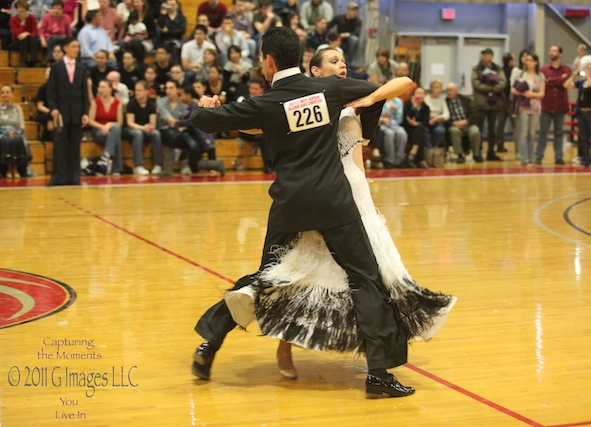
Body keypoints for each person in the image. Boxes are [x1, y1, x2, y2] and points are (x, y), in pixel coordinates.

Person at [190, 28, 419, 398]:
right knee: (365, 279)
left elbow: (203, 120)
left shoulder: (264, 102)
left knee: (266, 279)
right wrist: (368, 98)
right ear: (300, 57)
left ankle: (210, 344)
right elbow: (395, 84)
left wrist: (206, 107)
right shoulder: (328, 90)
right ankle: (378, 375)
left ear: (267, 60)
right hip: (333, 201)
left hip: (290, 205)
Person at [224, 46, 456, 386]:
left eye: (344, 61)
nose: (342, 65)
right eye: (334, 61)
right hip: (319, 198)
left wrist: (369, 98)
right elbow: (257, 126)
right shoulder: (304, 103)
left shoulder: (355, 98)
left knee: (372, 281)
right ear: (314, 71)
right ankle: (284, 347)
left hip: (354, 198)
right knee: (299, 274)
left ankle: (374, 355)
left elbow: (404, 81)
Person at [47, 37, 90, 186]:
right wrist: (53, 109)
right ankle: (58, 178)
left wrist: (85, 112)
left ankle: (74, 177)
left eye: (78, 47)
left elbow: (85, 93)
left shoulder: (82, 68)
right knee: (59, 145)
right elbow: (50, 93)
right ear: (65, 48)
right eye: (73, 47)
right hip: (60, 114)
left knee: (75, 146)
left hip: (77, 113)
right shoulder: (56, 67)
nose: (76, 49)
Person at [535, 45, 571, 165]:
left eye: (554, 51)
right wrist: (558, 80)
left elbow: (564, 82)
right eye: (550, 50)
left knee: (559, 132)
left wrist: (550, 80)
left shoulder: (566, 69)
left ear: (560, 54)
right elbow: (543, 82)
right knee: (543, 132)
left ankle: (559, 156)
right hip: (546, 104)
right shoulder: (543, 70)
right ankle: (539, 156)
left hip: (560, 105)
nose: (551, 52)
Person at [472, 47, 506, 161]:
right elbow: (476, 84)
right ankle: (478, 152)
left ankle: (491, 152)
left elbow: (502, 82)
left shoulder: (498, 69)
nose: (485, 57)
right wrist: (489, 88)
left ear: (491, 56)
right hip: (481, 103)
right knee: (480, 129)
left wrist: (493, 88)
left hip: (495, 104)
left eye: (487, 55)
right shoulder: (476, 69)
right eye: (483, 55)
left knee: (493, 130)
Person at [564, 63, 591, 168]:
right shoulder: (581, 83)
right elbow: (566, 85)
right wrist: (573, 76)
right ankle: (585, 159)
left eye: (590, 69)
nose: (588, 70)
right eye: (587, 68)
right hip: (581, 113)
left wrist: (589, 78)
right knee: (583, 138)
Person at [511, 53, 545, 166]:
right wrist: (523, 93)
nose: (528, 62)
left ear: (536, 62)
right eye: (527, 60)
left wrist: (532, 94)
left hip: (535, 106)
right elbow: (513, 89)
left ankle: (531, 157)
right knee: (523, 132)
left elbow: (542, 94)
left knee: (532, 133)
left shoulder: (540, 76)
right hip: (523, 105)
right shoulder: (520, 74)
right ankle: (523, 157)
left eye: (531, 60)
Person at [123, 80, 163, 175]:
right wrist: (143, 128)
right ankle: (138, 165)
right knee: (138, 133)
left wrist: (149, 127)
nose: (137, 92)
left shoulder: (151, 104)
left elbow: (153, 122)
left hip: (145, 128)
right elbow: (130, 123)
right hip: (131, 129)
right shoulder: (131, 103)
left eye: (140, 90)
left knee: (156, 133)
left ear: (146, 91)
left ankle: (158, 164)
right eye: (136, 90)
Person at [87, 79, 124, 175]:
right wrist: (103, 127)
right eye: (99, 87)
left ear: (110, 89)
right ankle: (116, 168)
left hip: (111, 131)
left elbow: (119, 122)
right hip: (98, 131)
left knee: (116, 130)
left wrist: (109, 125)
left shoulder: (118, 103)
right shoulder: (95, 102)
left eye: (103, 87)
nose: (100, 90)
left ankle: (106, 157)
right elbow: (90, 121)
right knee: (116, 135)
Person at [445, 82, 482, 163]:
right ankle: (460, 155)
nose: (448, 92)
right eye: (447, 90)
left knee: (475, 131)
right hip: (454, 125)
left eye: (451, 90)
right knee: (454, 131)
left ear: (456, 90)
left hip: (468, 124)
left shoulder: (466, 100)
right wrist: (453, 123)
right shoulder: (445, 102)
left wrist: (466, 122)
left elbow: (474, 113)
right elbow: (445, 117)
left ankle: (476, 154)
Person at [0, 84, 29, 178]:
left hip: (15, 132)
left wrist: (16, 132)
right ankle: (8, 169)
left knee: (17, 139)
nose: (5, 94)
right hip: (2, 132)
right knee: (7, 140)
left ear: (12, 94)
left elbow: (22, 125)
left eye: (7, 92)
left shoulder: (18, 108)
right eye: (3, 92)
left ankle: (15, 168)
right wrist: (6, 133)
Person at [403, 85, 430, 169]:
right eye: (418, 93)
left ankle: (414, 150)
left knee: (419, 129)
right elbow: (405, 119)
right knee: (419, 133)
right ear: (413, 95)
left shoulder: (426, 107)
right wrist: (414, 108)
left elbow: (425, 122)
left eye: (422, 93)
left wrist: (417, 123)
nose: (420, 95)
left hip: (419, 128)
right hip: (408, 128)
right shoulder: (408, 104)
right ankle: (422, 160)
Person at [424, 78, 449, 167]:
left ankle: (435, 151)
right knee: (424, 131)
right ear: (431, 88)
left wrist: (437, 117)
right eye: (437, 87)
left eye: (440, 88)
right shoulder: (426, 99)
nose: (439, 90)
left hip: (437, 121)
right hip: (427, 121)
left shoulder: (441, 100)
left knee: (440, 131)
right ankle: (429, 150)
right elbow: (423, 112)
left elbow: (446, 114)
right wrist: (429, 117)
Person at [378, 96, 407, 168]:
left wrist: (396, 110)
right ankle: (390, 160)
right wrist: (383, 119)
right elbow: (375, 116)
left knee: (402, 133)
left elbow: (400, 119)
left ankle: (399, 160)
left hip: (395, 124)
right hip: (382, 125)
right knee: (389, 134)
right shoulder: (379, 100)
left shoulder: (398, 101)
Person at [9, 0, 39, 67]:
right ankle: (23, 61)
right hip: (17, 42)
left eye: (23, 7)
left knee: (32, 38)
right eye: (19, 7)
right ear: (16, 9)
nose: (21, 9)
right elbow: (17, 35)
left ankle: (33, 60)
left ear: (26, 9)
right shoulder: (13, 19)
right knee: (24, 39)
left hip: (30, 42)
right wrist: (23, 22)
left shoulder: (32, 18)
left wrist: (27, 33)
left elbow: (35, 32)